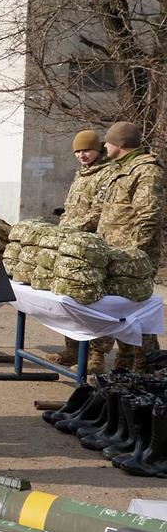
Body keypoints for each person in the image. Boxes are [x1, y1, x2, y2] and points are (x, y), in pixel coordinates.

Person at [93, 121, 165, 372]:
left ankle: (149, 368)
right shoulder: (119, 168)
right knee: (119, 313)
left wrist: (135, 254)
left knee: (136, 313)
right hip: (114, 253)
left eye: (109, 141)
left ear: (120, 144)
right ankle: (125, 366)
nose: (105, 145)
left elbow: (148, 216)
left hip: (132, 258)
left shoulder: (146, 170)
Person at [48, 129, 109, 371]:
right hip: (73, 244)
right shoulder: (81, 175)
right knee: (70, 298)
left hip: (92, 246)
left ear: (99, 150)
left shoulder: (105, 174)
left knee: (93, 302)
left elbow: (98, 211)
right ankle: (73, 349)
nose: (82, 155)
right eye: (78, 151)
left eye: (87, 150)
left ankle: (96, 356)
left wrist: (72, 228)